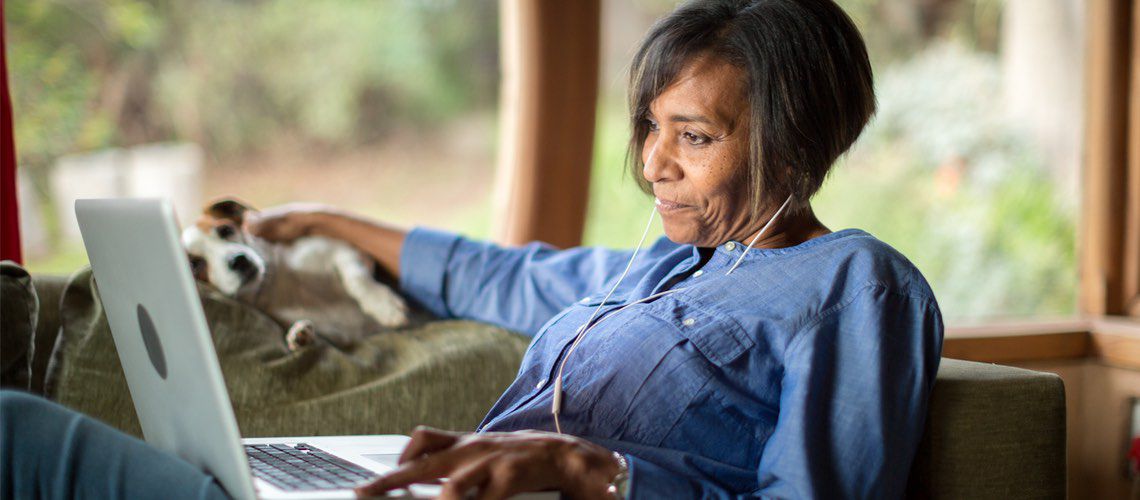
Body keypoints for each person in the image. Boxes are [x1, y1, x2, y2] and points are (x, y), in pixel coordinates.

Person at [1, 0, 943, 498]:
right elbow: (498, 275)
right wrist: (325, 219)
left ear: (794, 142)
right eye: (651, 127)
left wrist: (584, 470)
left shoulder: (858, 288)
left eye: (693, 137)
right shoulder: (663, 266)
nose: (652, 163)